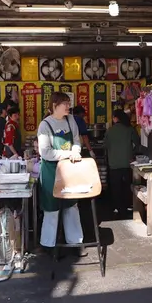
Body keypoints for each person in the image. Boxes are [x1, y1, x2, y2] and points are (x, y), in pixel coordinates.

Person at [37, 92, 85, 254]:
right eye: (65, 103)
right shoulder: (45, 125)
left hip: (69, 170)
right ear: (54, 105)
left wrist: (76, 151)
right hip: (51, 172)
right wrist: (68, 154)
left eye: (68, 103)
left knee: (71, 207)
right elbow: (45, 152)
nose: (68, 106)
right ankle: (48, 245)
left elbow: (76, 140)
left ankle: (76, 243)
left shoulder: (70, 120)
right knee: (52, 209)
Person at [104, 109, 140, 215]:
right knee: (127, 186)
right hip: (127, 163)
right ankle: (128, 205)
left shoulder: (109, 131)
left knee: (116, 187)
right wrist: (132, 153)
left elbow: (105, 146)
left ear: (116, 118)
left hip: (114, 164)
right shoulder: (130, 129)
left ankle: (118, 207)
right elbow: (138, 143)